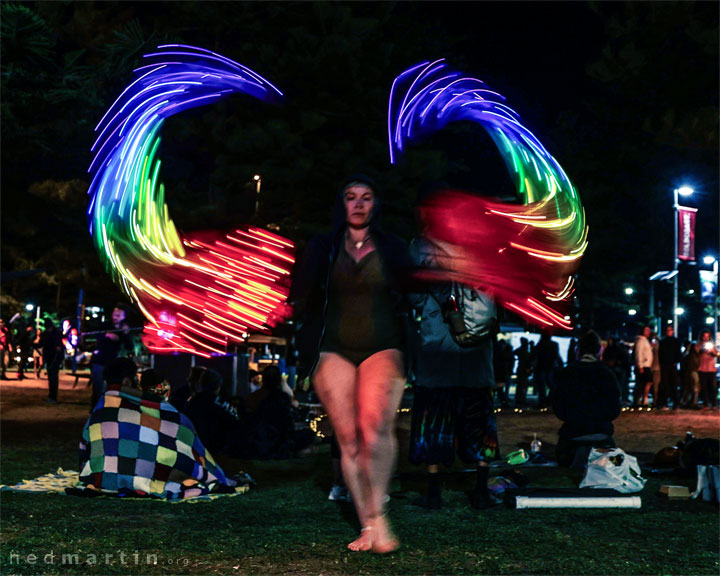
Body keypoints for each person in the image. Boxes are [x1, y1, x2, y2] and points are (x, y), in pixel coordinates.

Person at [290, 173, 409, 554]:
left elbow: (415, 288)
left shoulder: (393, 247)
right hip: (333, 346)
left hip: (383, 343)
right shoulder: (322, 246)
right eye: (351, 197)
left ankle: (380, 513)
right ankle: (369, 523)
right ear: (341, 204)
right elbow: (300, 295)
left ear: (377, 204)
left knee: (376, 427)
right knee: (348, 439)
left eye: (367, 197)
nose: (358, 204)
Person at [407, 206, 499, 511]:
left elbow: (414, 295)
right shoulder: (482, 247)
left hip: (438, 350)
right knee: (480, 420)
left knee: (433, 419)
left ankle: (434, 492)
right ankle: (481, 490)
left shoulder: (422, 246)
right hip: (477, 353)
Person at [78, 357, 237, 499]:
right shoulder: (148, 410)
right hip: (143, 475)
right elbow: (178, 427)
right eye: (135, 378)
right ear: (127, 381)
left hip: (102, 478)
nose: (137, 384)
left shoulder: (98, 412)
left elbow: (84, 449)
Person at [552, 329, 622, 469]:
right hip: (601, 433)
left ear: (578, 350)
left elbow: (558, 406)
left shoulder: (566, 373)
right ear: (599, 351)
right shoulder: (607, 374)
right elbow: (615, 408)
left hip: (573, 432)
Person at [236, 365, 315, 459]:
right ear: (279, 380)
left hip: (257, 441)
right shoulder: (282, 398)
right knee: (309, 434)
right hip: (274, 442)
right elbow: (288, 426)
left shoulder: (253, 397)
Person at [185, 368, 241, 454]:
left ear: (201, 384)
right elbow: (236, 424)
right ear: (218, 387)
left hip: (196, 449)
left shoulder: (192, 403)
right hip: (220, 451)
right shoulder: (224, 404)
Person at [89, 305, 132, 410]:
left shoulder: (124, 329)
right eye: (114, 314)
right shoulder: (105, 325)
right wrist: (106, 335)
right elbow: (97, 335)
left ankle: (109, 409)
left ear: (123, 316)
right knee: (98, 388)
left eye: (118, 315)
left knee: (113, 388)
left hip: (113, 363)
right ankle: (95, 409)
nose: (115, 317)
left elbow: (129, 346)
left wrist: (126, 334)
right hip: (99, 360)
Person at [532, 329, 561, 407]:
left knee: (542, 386)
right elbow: (556, 356)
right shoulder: (554, 345)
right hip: (550, 367)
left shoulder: (540, 345)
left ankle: (543, 401)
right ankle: (550, 400)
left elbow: (534, 355)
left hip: (541, 367)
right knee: (552, 385)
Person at [658, 326, 682, 409]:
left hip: (672, 365)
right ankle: (665, 402)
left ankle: (675, 402)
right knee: (665, 384)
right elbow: (660, 354)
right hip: (665, 365)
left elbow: (678, 353)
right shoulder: (662, 342)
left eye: (670, 330)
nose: (669, 332)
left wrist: (676, 362)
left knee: (674, 384)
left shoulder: (676, 341)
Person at [40, 319, 63, 403]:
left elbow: (58, 347)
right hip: (50, 358)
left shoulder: (55, 334)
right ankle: (51, 396)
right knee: (51, 377)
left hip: (54, 358)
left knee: (53, 377)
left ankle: (53, 397)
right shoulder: (48, 333)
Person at [602, 336, 630, 406]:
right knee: (618, 385)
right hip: (615, 369)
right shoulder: (612, 349)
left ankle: (621, 399)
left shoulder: (617, 349)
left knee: (620, 385)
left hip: (618, 368)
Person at [696, 330, 719, 410]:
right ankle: (706, 404)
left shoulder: (712, 345)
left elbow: (716, 354)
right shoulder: (698, 344)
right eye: (704, 336)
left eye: (707, 336)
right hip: (702, 368)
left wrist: (711, 351)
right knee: (704, 387)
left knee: (713, 387)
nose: (706, 338)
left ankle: (714, 404)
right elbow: (696, 352)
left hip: (711, 369)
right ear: (702, 336)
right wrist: (702, 350)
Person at [633, 325, 653, 406]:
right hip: (643, 366)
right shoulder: (641, 340)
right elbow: (639, 353)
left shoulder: (645, 340)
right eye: (647, 330)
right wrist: (640, 365)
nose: (649, 332)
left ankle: (643, 399)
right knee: (642, 383)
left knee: (646, 382)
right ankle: (641, 400)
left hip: (646, 365)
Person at [680, 340, 701, 408]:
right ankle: (692, 402)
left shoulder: (689, 355)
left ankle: (687, 402)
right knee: (695, 387)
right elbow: (693, 365)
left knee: (690, 388)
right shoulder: (692, 356)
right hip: (693, 372)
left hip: (690, 373)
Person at [513, 337, 532, 406]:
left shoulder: (521, 350)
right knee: (523, 385)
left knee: (521, 385)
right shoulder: (525, 350)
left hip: (521, 369)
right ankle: (521, 399)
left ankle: (520, 399)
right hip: (523, 369)